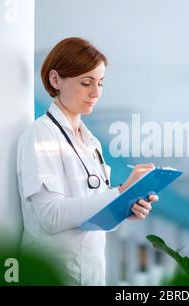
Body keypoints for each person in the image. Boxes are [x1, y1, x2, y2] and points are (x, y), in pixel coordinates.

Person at [16, 37, 158, 285]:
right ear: (55, 80)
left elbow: (93, 216)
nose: (96, 93)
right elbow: (50, 216)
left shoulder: (91, 143)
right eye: (86, 83)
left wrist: (125, 207)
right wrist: (121, 191)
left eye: (100, 83)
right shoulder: (40, 135)